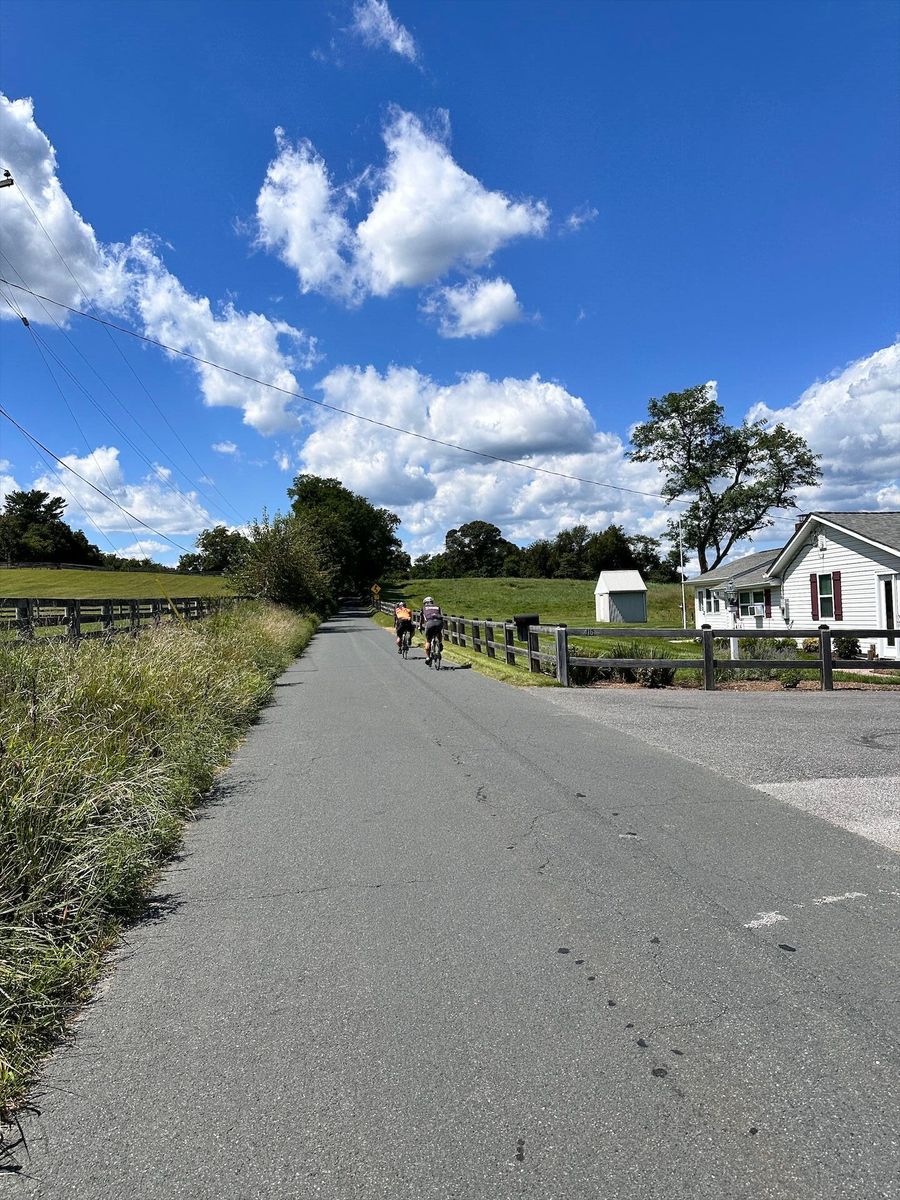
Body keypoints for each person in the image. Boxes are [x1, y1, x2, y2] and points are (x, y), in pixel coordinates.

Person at [420, 596, 444, 664]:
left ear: (425, 603)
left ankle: (428, 657)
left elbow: (422, 619)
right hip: (439, 622)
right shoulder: (437, 607)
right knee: (438, 632)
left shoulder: (423, 608)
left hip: (430, 623)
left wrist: (420, 626)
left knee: (428, 641)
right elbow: (441, 616)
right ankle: (440, 643)